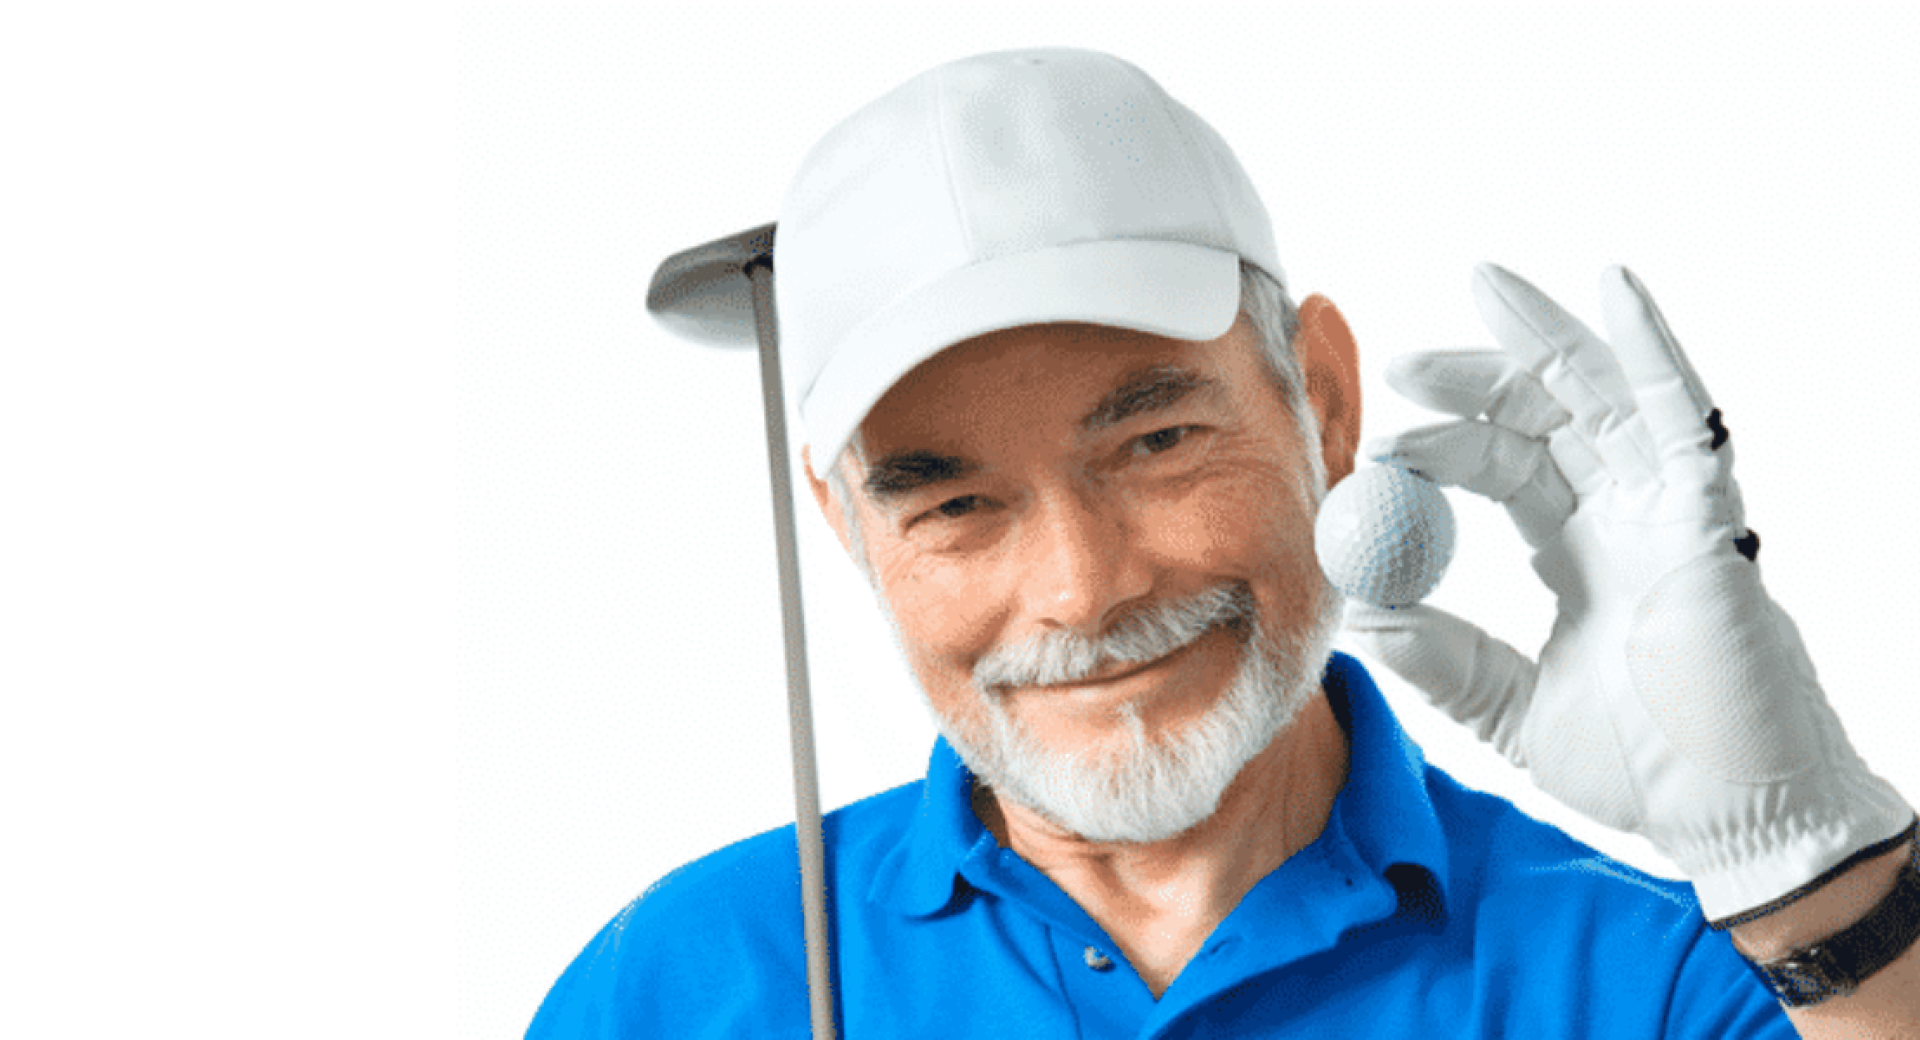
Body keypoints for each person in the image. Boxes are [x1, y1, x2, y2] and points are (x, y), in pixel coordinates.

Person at [528, 48, 1920, 1037]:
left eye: (1154, 444)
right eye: (954, 504)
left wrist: (1817, 885)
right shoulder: (684, 985)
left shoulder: (1683, 985)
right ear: (847, 527)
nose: (1080, 590)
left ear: (1321, 398)